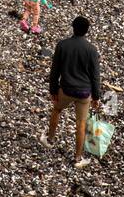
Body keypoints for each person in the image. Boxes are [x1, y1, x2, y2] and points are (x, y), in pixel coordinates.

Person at [41, 16, 102, 169]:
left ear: (73, 28)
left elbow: (55, 70)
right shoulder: (91, 50)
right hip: (84, 93)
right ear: (87, 31)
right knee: (81, 124)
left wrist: (53, 89)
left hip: (66, 89)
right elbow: (95, 76)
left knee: (57, 109)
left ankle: (50, 139)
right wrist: (96, 96)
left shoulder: (62, 45)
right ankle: (77, 158)